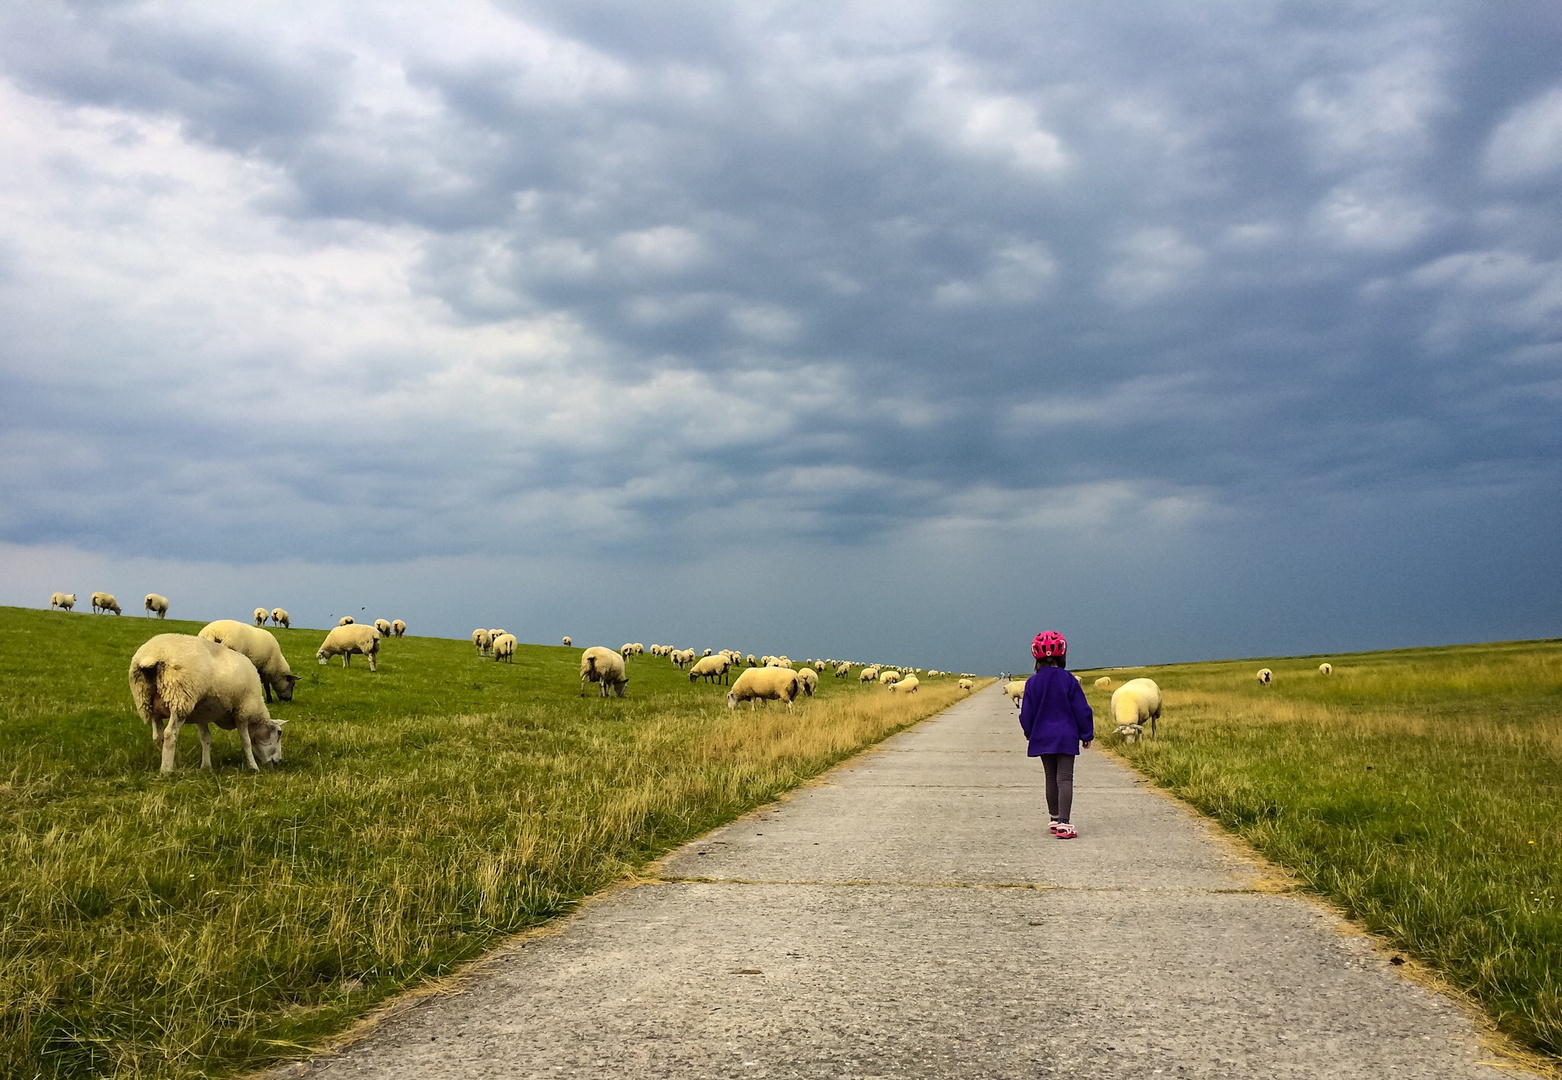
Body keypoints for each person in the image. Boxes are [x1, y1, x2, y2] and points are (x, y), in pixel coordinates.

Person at [1017, 631, 1094, 839]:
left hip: (1042, 736)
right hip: (1066, 735)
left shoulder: (1032, 683)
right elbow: (1082, 709)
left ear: (1036, 657)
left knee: (1050, 777)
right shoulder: (1069, 680)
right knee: (1065, 778)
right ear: (1062, 655)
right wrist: (1086, 733)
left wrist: (1029, 732)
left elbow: (1026, 713)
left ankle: (1054, 818)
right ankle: (1065, 824)